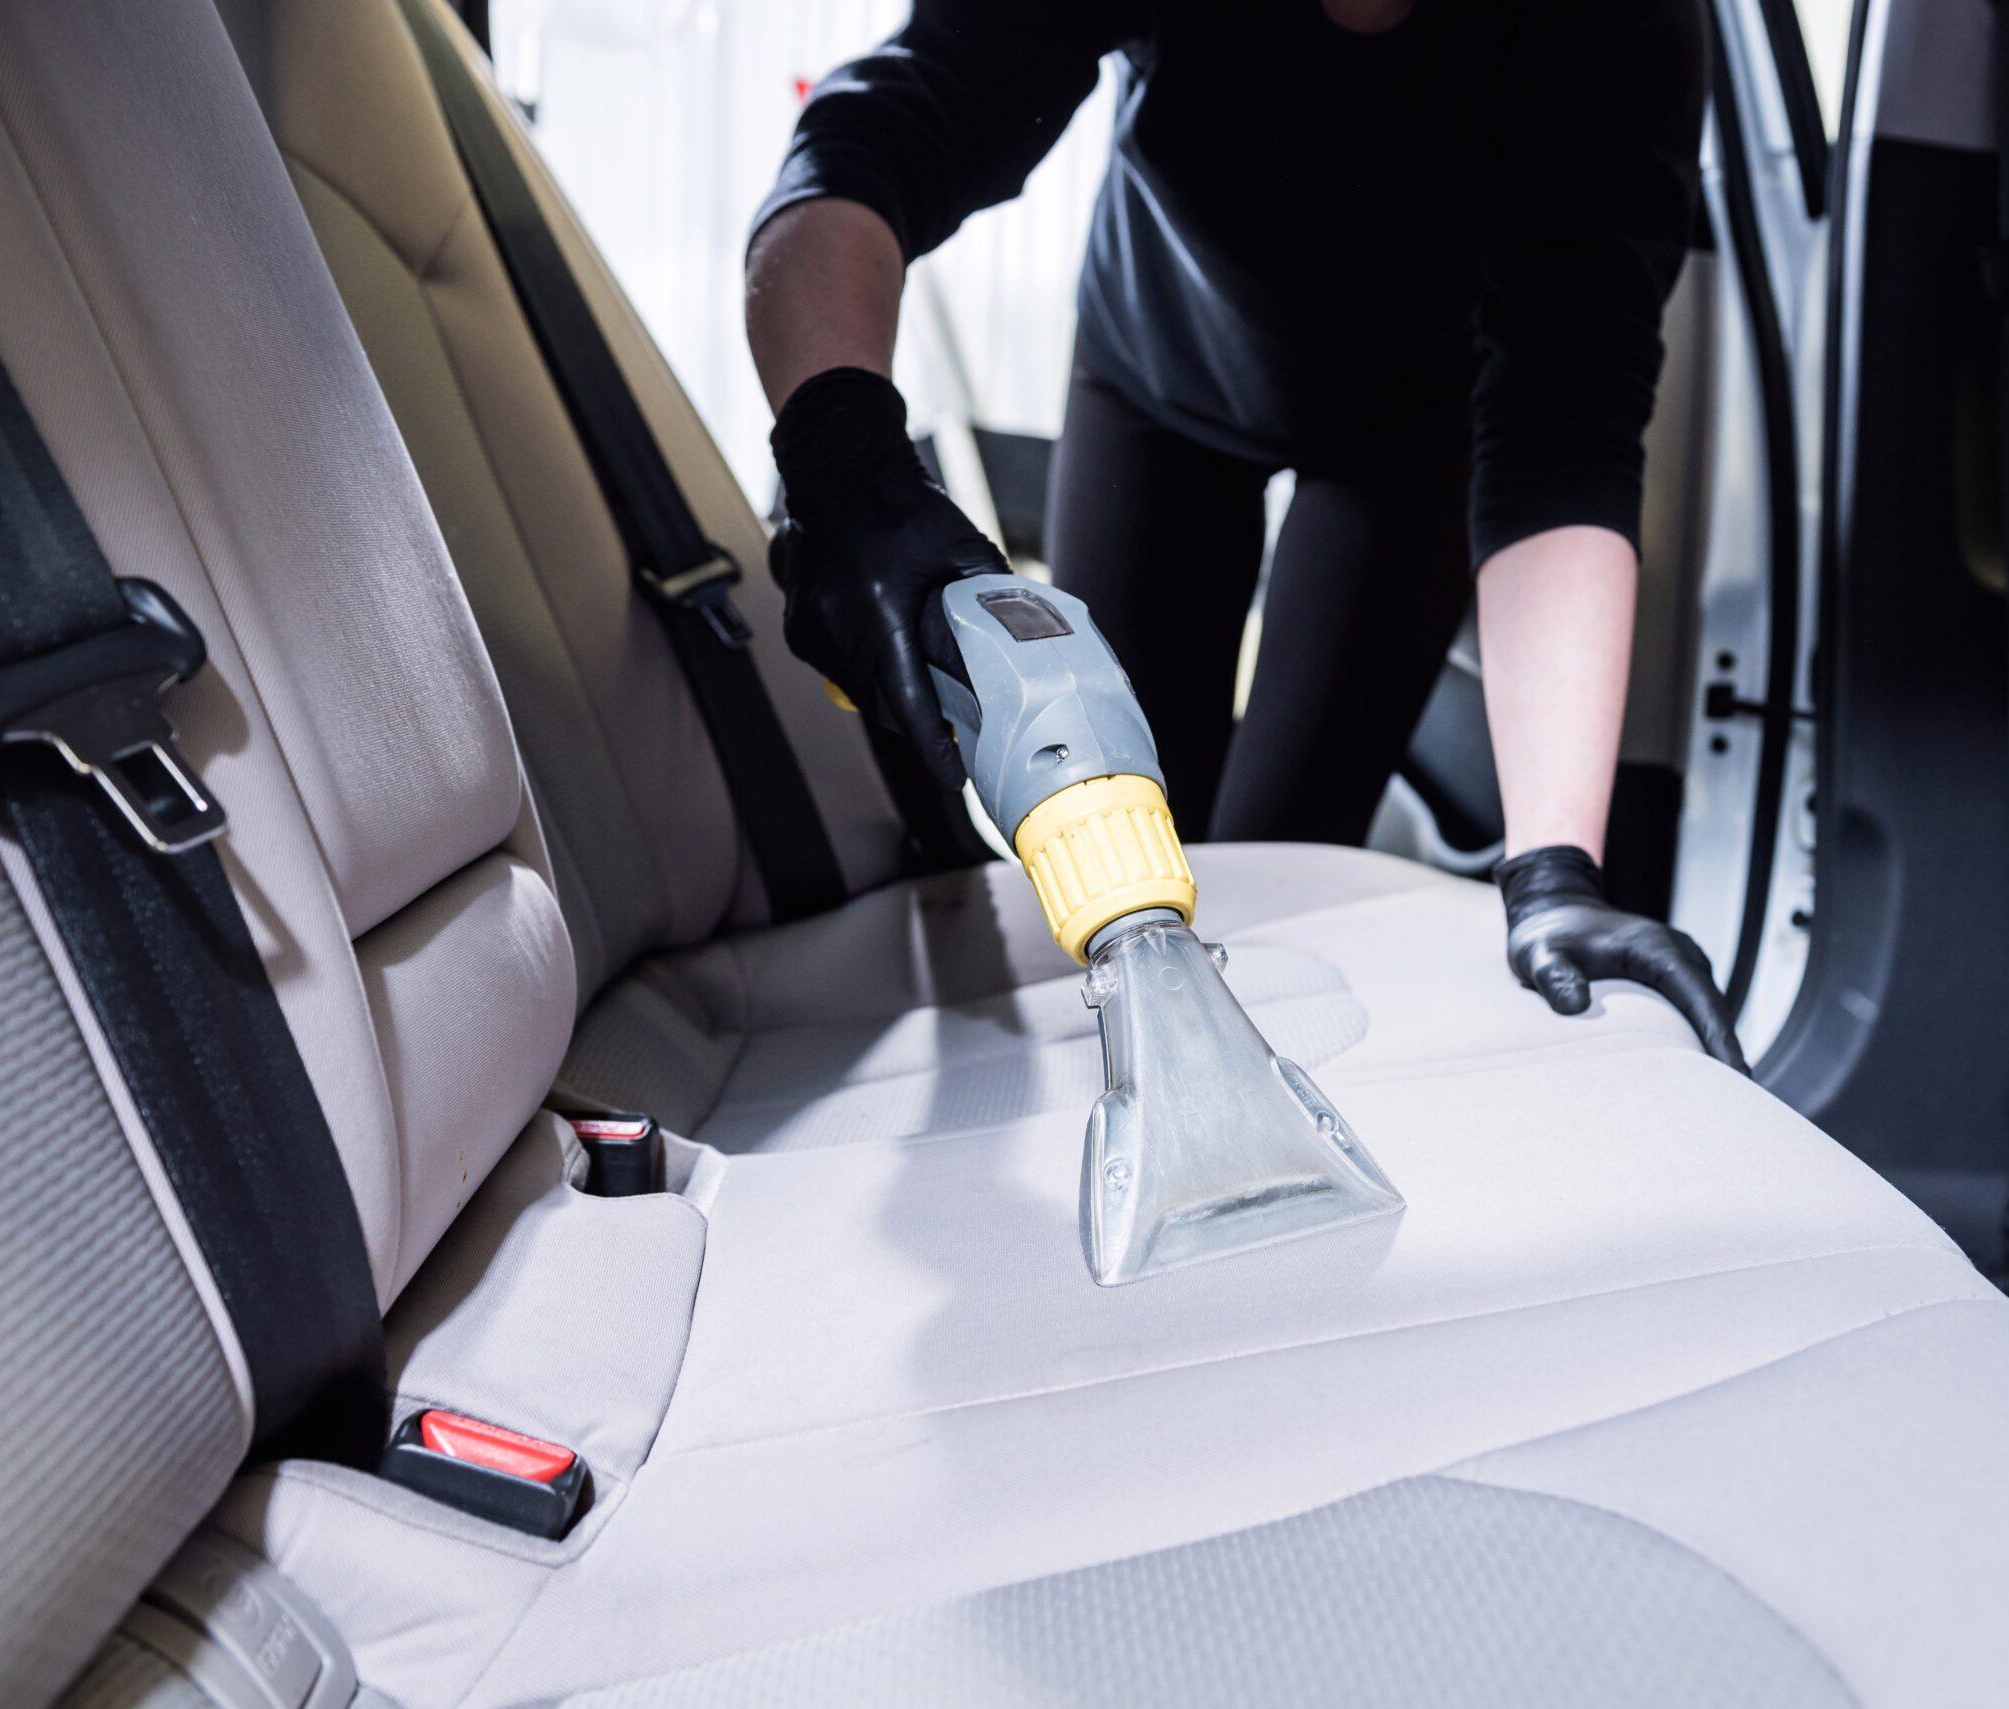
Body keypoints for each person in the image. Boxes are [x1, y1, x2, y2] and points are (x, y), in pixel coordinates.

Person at [746, 0, 1744, 1064]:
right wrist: (845, 461)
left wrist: (1555, 872)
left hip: (1410, 438)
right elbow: (868, 144)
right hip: (1158, 371)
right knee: (1115, 832)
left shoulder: (1618, 25)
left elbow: (1568, 435)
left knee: (1283, 882)